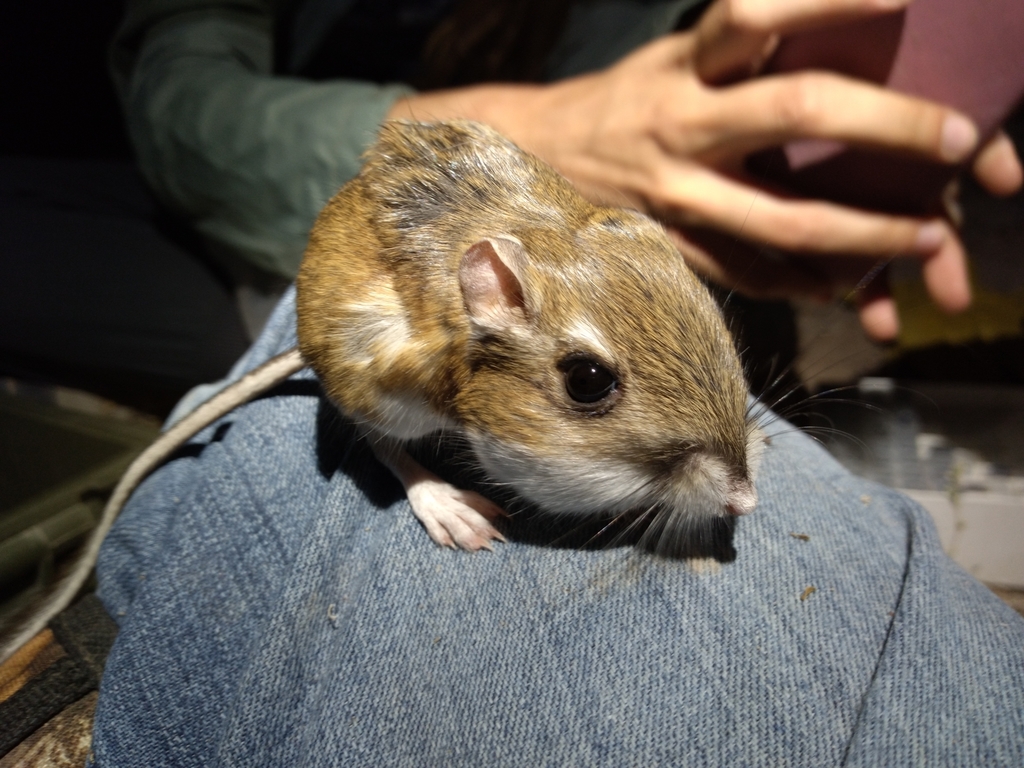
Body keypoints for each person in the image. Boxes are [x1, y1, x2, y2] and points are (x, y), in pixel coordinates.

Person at [82, 0, 1024, 764]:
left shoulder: (614, 225)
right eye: (587, 383)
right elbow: (181, 87)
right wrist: (427, 472)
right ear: (495, 300)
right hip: (363, 303)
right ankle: (405, 474)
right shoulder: (478, 331)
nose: (745, 505)